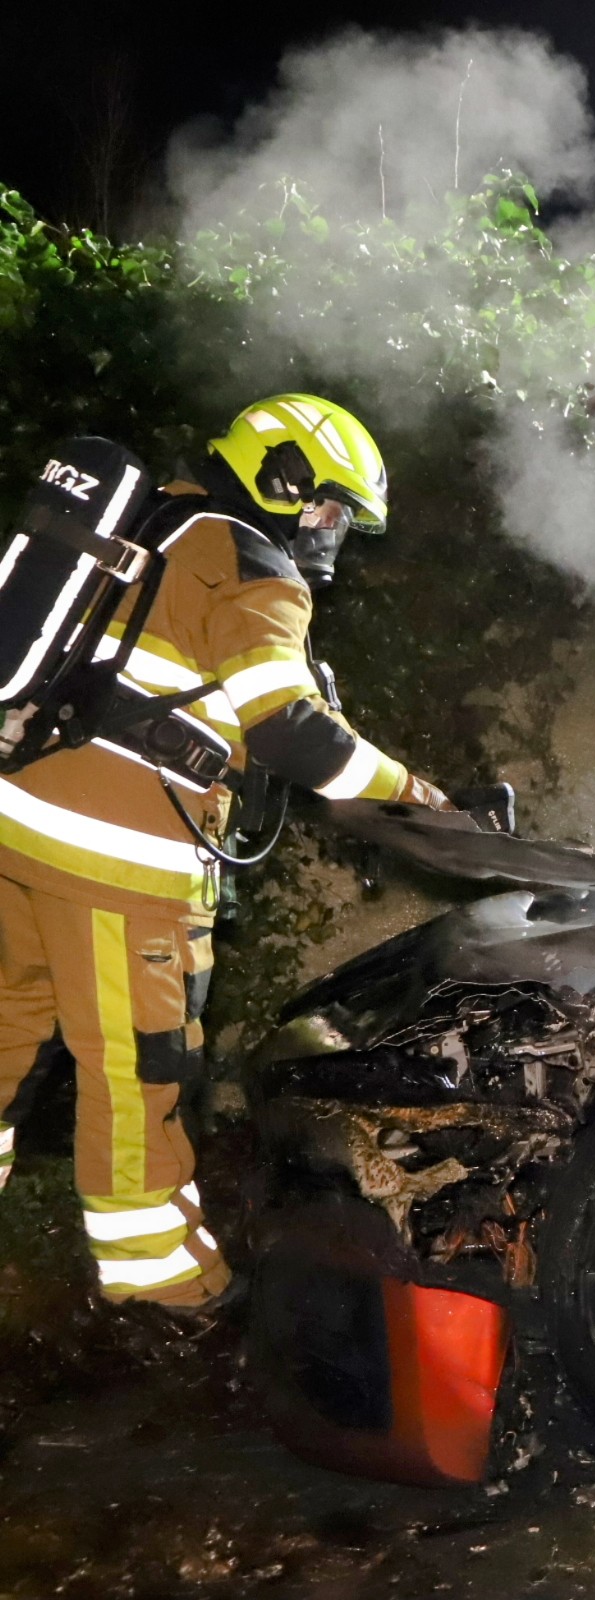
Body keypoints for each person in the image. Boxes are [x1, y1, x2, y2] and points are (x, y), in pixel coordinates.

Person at [0, 395, 453, 1315]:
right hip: (118, 865)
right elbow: (291, 731)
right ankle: (166, 1297)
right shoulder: (255, 563)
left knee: (2, 1037)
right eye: (327, 508)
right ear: (280, 477)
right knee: (138, 1073)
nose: (330, 533)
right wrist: (413, 794)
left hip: (17, 820)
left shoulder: (158, 521)